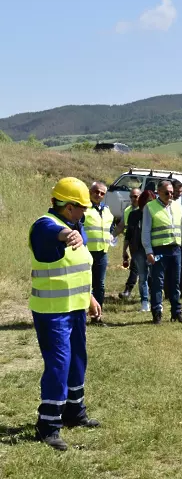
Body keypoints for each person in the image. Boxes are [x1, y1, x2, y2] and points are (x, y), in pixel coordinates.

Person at [29, 177, 102, 451]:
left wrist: (90, 297)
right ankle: (48, 425)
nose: (86, 211)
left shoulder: (75, 225)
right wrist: (64, 235)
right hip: (52, 312)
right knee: (59, 364)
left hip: (75, 308)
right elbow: (48, 234)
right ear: (69, 206)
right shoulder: (46, 225)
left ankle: (74, 412)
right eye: (82, 206)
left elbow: (78, 267)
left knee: (77, 360)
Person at [142, 180, 182, 324]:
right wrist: (148, 251)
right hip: (159, 250)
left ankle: (176, 312)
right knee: (157, 282)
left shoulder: (177, 206)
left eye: (171, 192)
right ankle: (157, 312)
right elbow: (145, 231)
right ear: (159, 192)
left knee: (175, 283)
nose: (170, 195)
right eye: (167, 193)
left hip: (175, 250)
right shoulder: (150, 207)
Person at [84, 181, 114, 324]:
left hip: (102, 252)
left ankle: (97, 316)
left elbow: (110, 227)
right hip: (86, 252)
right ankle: (81, 314)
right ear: (90, 192)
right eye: (96, 191)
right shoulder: (84, 209)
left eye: (102, 193)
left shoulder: (106, 210)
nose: (99, 195)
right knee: (85, 284)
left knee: (100, 285)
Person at [124, 190, 156, 312]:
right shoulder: (134, 215)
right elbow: (129, 234)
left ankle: (155, 301)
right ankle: (144, 302)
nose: (149, 203)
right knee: (142, 276)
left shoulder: (155, 214)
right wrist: (124, 250)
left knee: (153, 276)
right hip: (138, 249)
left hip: (153, 249)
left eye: (151, 201)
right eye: (147, 201)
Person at [119, 187, 141, 299]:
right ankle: (128, 290)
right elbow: (124, 228)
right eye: (131, 196)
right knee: (135, 267)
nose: (133, 199)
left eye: (135, 196)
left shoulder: (146, 210)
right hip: (133, 242)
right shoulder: (128, 211)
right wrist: (125, 249)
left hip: (145, 243)